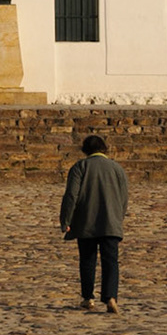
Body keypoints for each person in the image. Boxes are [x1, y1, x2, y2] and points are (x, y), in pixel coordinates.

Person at [60, 134, 129, 313]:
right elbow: (123, 197)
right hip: (111, 222)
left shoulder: (80, 167)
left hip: (86, 222)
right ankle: (110, 297)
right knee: (111, 261)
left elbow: (71, 196)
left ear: (85, 150)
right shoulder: (117, 168)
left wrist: (66, 220)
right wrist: (118, 218)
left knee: (87, 260)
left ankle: (88, 297)